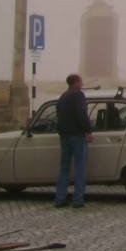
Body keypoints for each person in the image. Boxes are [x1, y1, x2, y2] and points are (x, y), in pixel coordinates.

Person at [53, 73, 93, 208]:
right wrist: (88, 130)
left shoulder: (63, 96)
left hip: (64, 136)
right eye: (81, 82)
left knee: (64, 168)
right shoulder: (78, 95)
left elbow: (58, 114)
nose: (82, 84)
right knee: (80, 167)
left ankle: (60, 198)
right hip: (77, 135)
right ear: (76, 82)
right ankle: (78, 199)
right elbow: (81, 113)